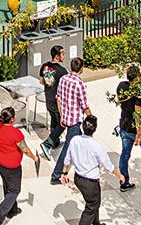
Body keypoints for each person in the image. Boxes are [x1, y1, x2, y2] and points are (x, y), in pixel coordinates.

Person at [60, 115, 125, 225]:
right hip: (90, 183)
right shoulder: (96, 146)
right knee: (91, 207)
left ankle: (96, 223)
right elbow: (108, 166)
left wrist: (64, 173)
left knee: (95, 203)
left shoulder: (74, 140)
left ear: (82, 127)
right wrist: (120, 176)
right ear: (95, 129)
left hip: (78, 179)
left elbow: (67, 160)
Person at [0, 106, 39, 224]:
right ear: (12, 119)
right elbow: (25, 150)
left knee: (7, 183)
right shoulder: (16, 133)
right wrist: (34, 158)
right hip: (12, 166)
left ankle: (12, 210)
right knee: (14, 190)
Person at [115, 65, 141, 192]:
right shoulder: (138, 92)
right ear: (137, 77)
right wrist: (139, 133)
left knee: (125, 153)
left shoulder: (121, 86)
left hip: (124, 125)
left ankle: (124, 181)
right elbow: (138, 113)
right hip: (135, 129)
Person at [50, 57, 91, 185]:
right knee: (68, 148)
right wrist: (91, 118)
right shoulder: (79, 84)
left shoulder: (63, 79)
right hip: (75, 121)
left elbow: (58, 98)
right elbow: (84, 105)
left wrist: (62, 116)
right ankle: (56, 175)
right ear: (81, 68)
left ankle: (83, 168)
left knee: (80, 145)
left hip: (66, 118)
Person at [38, 45, 67, 158]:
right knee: (62, 123)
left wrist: (50, 84)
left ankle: (55, 142)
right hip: (57, 101)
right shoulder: (62, 71)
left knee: (54, 120)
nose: (64, 55)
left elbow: (41, 81)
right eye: (62, 53)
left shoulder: (45, 66)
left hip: (48, 98)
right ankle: (48, 143)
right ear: (57, 56)